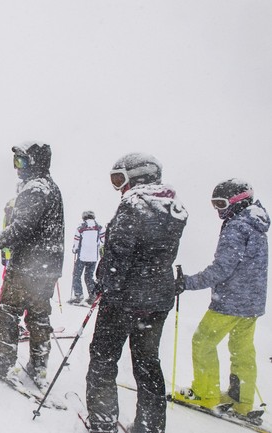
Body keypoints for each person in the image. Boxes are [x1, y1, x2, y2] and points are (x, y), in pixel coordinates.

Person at [86, 153, 188, 433]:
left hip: (123, 301)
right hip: (157, 300)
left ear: (138, 176)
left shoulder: (133, 205)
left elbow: (118, 256)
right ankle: (150, 426)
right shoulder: (173, 206)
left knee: (104, 358)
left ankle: (103, 423)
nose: (118, 187)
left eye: (120, 179)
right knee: (147, 363)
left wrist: (103, 282)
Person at [173, 179, 268, 416]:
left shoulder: (237, 226)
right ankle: (242, 399)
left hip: (231, 301)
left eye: (221, 203)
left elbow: (221, 269)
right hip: (252, 303)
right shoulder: (256, 224)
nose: (218, 209)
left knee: (203, 341)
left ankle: (205, 392)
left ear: (238, 201)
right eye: (214, 203)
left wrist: (187, 282)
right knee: (241, 349)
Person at [0, 143, 64, 388]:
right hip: (47, 266)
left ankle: (4, 361)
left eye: (22, 162)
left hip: (28, 265)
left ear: (35, 162)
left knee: (7, 310)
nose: (17, 168)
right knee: (38, 314)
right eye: (16, 162)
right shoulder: (51, 188)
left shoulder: (35, 189)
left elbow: (21, 228)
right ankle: (39, 365)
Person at [69, 210, 105, 305]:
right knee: (89, 276)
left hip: (82, 256)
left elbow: (76, 243)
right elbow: (104, 240)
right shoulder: (99, 227)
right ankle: (92, 296)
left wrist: (74, 249)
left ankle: (78, 295)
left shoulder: (81, 227)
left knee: (77, 275)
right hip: (93, 257)